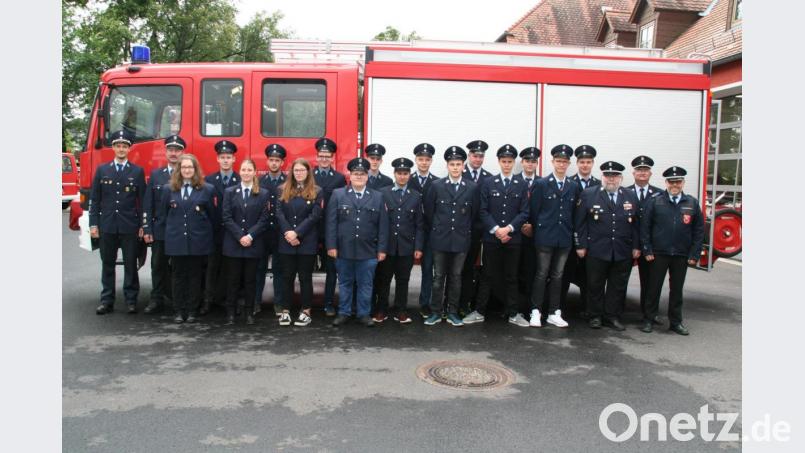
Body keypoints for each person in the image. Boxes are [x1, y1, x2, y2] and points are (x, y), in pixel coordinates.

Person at [463, 144, 530, 327]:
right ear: (499, 162)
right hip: (492, 238)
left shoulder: (522, 184)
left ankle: (514, 313)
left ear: (514, 162)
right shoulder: (488, 183)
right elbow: (482, 211)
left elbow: (524, 212)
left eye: (510, 161)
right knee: (487, 275)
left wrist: (508, 229)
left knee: (512, 276)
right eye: (504, 161)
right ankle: (479, 311)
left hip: (512, 238)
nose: (507, 165)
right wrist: (496, 230)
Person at [574, 161, 641, 331]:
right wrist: (580, 245)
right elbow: (580, 223)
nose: (611, 179)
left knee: (617, 286)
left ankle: (612, 317)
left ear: (621, 178)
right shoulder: (589, 194)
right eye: (607, 175)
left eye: (615, 176)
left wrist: (636, 246)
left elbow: (636, 225)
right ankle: (595, 315)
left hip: (622, 250)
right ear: (602, 176)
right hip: (596, 249)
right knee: (594, 284)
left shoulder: (630, 195)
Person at [640, 166, 704, 335]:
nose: (675, 185)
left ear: (683, 183)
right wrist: (647, 250)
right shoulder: (655, 201)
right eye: (671, 181)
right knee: (653, 288)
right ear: (666, 182)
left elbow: (698, 231)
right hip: (658, 254)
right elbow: (645, 228)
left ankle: (676, 322)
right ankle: (649, 319)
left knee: (677, 290)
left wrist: (694, 254)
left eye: (678, 181)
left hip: (681, 255)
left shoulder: (691, 202)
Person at [327, 157, 389, 327]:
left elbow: (383, 226)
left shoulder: (377, 197)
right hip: (343, 249)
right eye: (356, 174)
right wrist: (331, 245)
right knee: (345, 283)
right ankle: (344, 312)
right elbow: (331, 222)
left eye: (362, 174)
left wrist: (382, 249)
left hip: (368, 250)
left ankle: (363, 314)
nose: (359, 177)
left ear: (367, 176)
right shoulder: (338, 194)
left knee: (366, 284)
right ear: (350, 175)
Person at [89, 130, 146, 315]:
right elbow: (95, 200)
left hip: (129, 226)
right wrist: (93, 224)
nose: (121, 149)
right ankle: (107, 300)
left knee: (131, 264)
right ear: (113, 147)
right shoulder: (102, 170)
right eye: (118, 145)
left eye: (125, 146)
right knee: (107, 264)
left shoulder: (137, 172)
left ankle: (131, 300)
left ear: (129, 148)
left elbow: (142, 201)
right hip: (107, 226)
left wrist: (142, 226)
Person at [424, 146, 479, 327]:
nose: (455, 167)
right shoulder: (436, 186)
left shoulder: (471, 187)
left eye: (458, 164)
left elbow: (474, 214)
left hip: (461, 239)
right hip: (440, 239)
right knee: (438, 277)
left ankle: (453, 312)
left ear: (464, 166)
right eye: (452, 164)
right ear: (447, 166)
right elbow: (430, 213)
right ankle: (435, 312)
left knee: (456, 277)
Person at [160, 154, 216, 323]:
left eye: (190, 167)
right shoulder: (168, 189)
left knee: (195, 276)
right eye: (183, 167)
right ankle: (179, 310)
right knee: (178, 276)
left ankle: (192, 310)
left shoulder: (207, 189)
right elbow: (163, 216)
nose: (187, 170)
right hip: (176, 241)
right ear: (179, 170)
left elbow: (213, 217)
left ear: (195, 169)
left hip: (197, 241)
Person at [528, 144, 578, 328]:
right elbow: (534, 211)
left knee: (558, 276)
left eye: (565, 162)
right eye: (558, 161)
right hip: (545, 237)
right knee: (541, 274)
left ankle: (554, 312)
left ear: (569, 164)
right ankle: (535, 311)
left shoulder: (573, 186)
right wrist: (539, 231)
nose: (561, 165)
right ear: (552, 162)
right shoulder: (541, 184)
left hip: (564, 237)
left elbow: (574, 212)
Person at [373, 157, 424, 324]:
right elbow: (378, 221)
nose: (402, 176)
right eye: (399, 173)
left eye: (405, 173)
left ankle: (401, 310)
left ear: (409, 175)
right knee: (384, 279)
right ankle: (381, 309)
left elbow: (419, 224)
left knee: (403, 280)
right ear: (394, 174)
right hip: (387, 246)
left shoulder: (416, 196)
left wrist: (418, 247)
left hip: (406, 247)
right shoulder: (383, 193)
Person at [221, 159, 270, 325]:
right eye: (243, 170)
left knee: (250, 280)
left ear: (255, 172)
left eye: (250, 170)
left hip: (253, 243)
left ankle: (249, 312)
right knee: (232, 280)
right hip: (234, 243)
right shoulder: (230, 191)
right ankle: (231, 313)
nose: (246, 172)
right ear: (239, 172)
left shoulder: (262, 193)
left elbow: (264, 219)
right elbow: (226, 217)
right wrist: (240, 236)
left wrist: (249, 236)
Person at [275, 158, 324, 326]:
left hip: (307, 242)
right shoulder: (282, 189)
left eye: (302, 170)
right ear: (292, 172)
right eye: (296, 170)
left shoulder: (317, 190)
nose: (299, 173)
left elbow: (315, 216)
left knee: (305, 278)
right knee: (286, 277)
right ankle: (286, 311)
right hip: (286, 241)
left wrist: (297, 233)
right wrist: (289, 233)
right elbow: (279, 213)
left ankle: (306, 311)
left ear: (308, 172)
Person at [142, 134, 184, 314]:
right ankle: (156, 299)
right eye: (171, 150)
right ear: (165, 152)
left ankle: (178, 300)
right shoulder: (156, 175)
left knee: (178, 267)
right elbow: (148, 204)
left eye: (177, 150)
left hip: (179, 230)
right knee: (157, 265)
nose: (173, 153)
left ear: (183, 152)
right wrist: (146, 228)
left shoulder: (187, 174)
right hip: (160, 229)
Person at [563, 144, 602, 314]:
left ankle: (588, 309)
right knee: (565, 273)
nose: (585, 165)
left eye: (588, 162)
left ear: (592, 164)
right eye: (582, 162)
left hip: (592, 238)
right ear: (577, 164)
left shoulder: (600, 185)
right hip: (570, 236)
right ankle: (560, 308)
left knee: (590, 277)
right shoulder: (569, 182)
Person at [203, 140, 240, 315]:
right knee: (211, 267)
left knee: (230, 269)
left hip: (233, 233)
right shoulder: (209, 180)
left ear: (234, 159)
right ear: (217, 159)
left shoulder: (240, 179)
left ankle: (228, 300)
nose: (225, 160)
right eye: (222, 157)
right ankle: (208, 301)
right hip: (215, 232)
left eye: (228, 157)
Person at [626, 155, 662, 325]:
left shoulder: (659, 194)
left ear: (650, 173)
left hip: (650, 246)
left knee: (650, 282)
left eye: (645, 170)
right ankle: (617, 312)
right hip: (628, 245)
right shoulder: (625, 192)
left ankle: (650, 314)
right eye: (639, 170)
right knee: (621, 280)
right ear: (633, 172)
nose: (642, 173)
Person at [313, 137, 346, 317]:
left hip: (330, 230)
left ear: (332, 157)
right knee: (304, 269)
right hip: (310, 230)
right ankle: (306, 304)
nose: (324, 159)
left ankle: (328, 303)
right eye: (321, 156)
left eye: (327, 156)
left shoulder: (340, 178)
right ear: (316, 157)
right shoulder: (309, 174)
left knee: (332, 270)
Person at [460, 139, 493, 315]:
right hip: (462, 230)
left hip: (481, 231)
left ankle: (469, 303)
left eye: (481, 156)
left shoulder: (488, 177)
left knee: (476, 270)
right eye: (474, 155)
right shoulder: (459, 173)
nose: (477, 159)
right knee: (459, 269)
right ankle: (454, 303)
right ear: (468, 156)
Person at [255, 144, 287, 316]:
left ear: (282, 162)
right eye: (271, 160)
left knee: (279, 269)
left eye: (277, 160)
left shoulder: (288, 181)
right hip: (263, 232)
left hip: (280, 232)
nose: (274, 163)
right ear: (267, 161)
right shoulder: (259, 182)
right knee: (259, 268)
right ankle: (256, 302)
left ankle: (279, 303)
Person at [408, 143, 439, 318]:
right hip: (407, 231)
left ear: (431, 161)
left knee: (428, 269)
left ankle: (425, 303)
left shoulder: (437, 182)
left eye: (427, 159)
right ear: (416, 160)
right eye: (421, 159)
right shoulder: (407, 179)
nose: (424, 162)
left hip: (428, 232)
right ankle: (399, 303)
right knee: (401, 270)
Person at [514, 147, 540, 313]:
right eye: (527, 161)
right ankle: (513, 306)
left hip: (534, 235)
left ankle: (529, 308)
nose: (530, 164)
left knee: (531, 271)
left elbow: (544, 210)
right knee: (513, 271)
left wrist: (533, 226)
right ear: (522, 162)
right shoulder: (514, 180)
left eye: (533, 161)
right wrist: (520, 225)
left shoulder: (543, 182)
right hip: (515, 233)